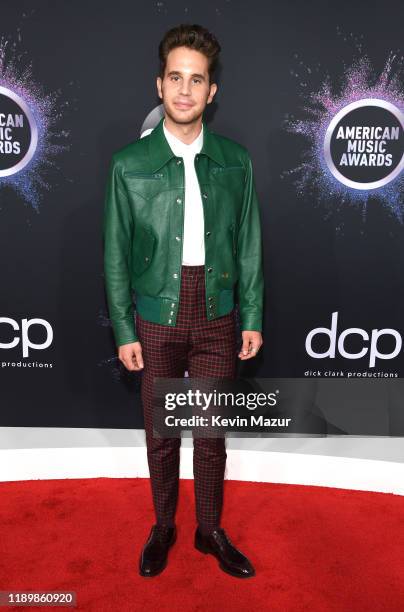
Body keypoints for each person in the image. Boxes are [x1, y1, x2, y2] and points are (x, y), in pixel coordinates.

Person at [103, 23, 264, 579]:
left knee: (212, 433)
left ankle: (210, 530)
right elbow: (116, 255)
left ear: (211, 91)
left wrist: (253, 316)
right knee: (162, 434)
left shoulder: (236, 161)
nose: (186, 90)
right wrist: (125, 329)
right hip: (156, 317)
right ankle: (165, 526)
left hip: (219, 313)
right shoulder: (128, 164)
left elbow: (249, 245)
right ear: (160, 84)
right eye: (176, 77)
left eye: (197, 80)